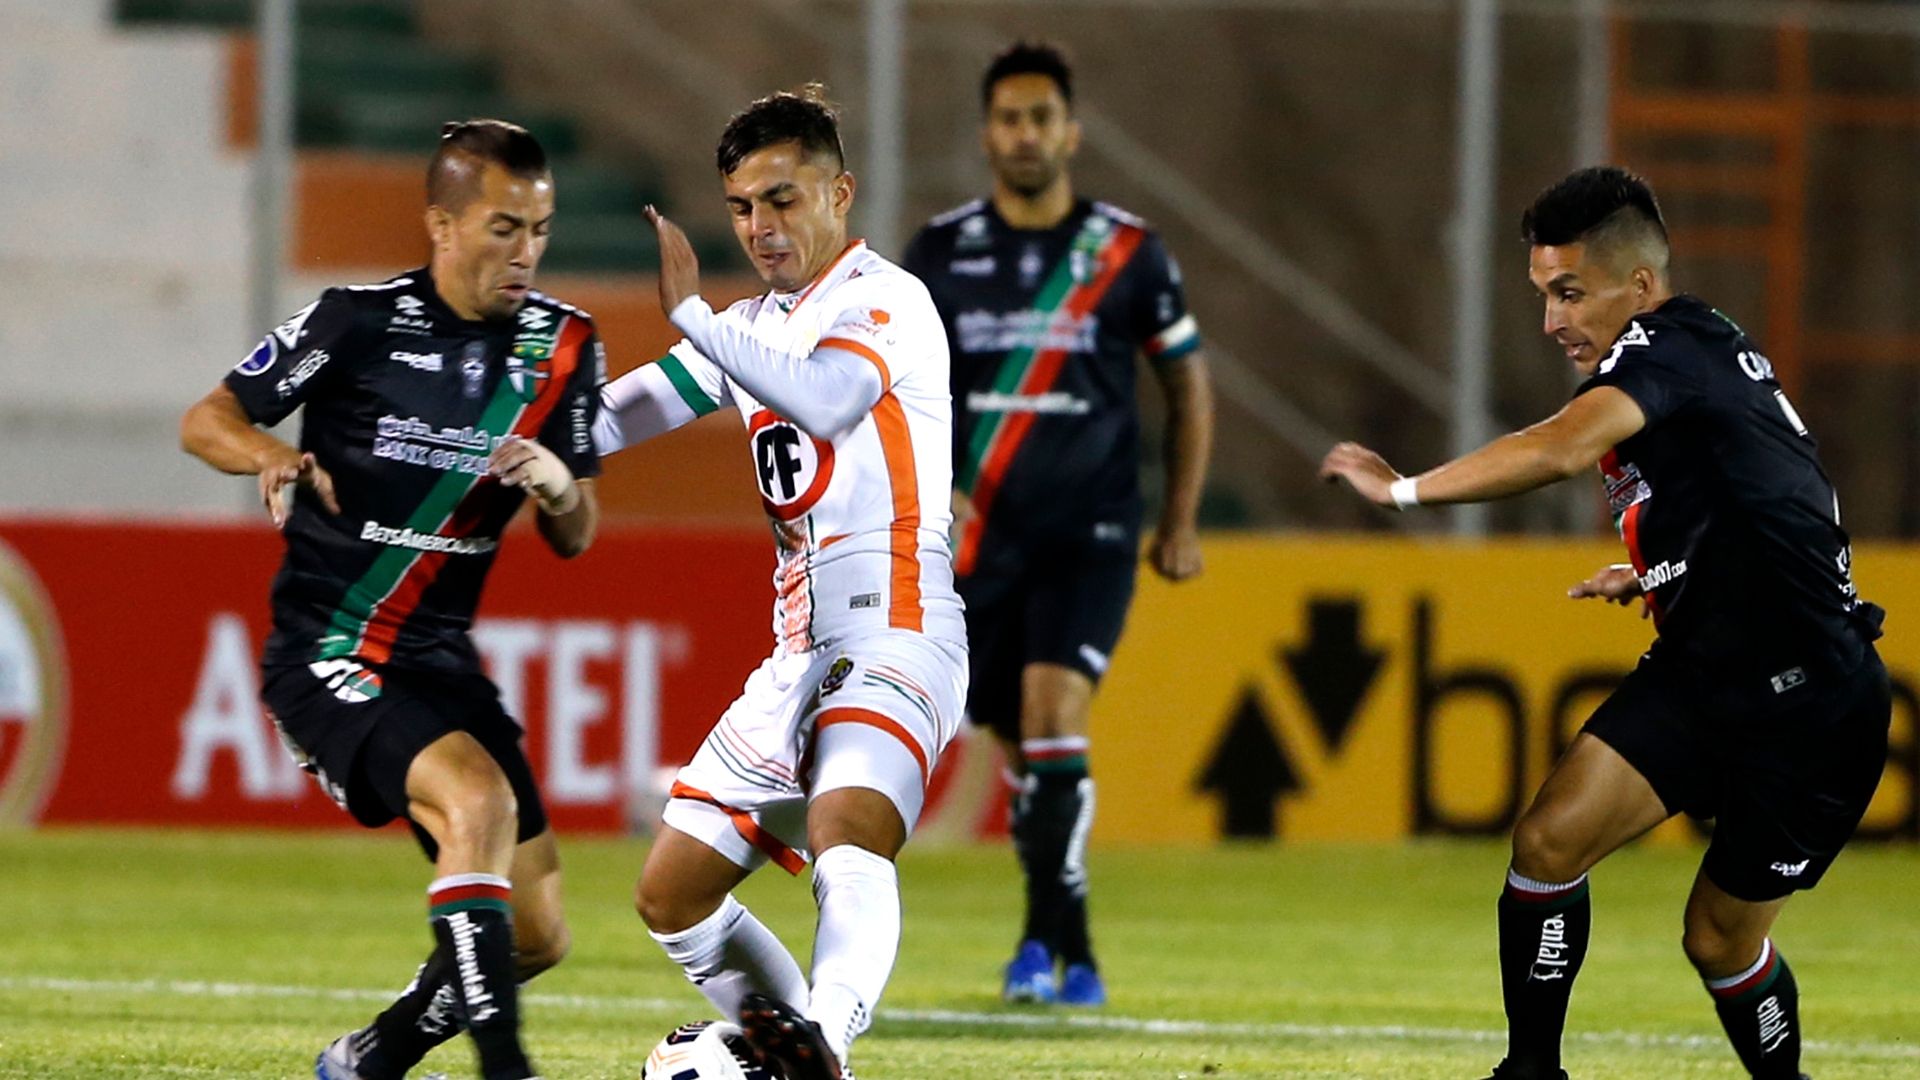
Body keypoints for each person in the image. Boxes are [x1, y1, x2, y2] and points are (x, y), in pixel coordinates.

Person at [1321, 166, 1890, 1080]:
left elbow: (1559, 447)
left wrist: (1403, 489)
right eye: (1545, 293)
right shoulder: (1692, 351)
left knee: (1717, 938)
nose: (1553, 320)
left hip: (1811, 703)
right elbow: (1771, 484)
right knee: (1549, 842)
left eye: (1570, 293)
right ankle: (1532, 1073)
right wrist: (1662, 569)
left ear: (1640, 285)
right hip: (1709, 668)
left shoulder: (1663, 349)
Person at [180, 119, 605, 1080]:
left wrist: (560, 487)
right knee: (477, 800)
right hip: (331, 647)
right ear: (443, 223)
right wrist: (273, 453)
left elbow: (578, 539)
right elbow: (208, 418)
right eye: (504, 227)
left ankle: (373, 1056)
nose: (526, 252)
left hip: (441, 661)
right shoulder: (357, 321)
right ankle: (507, 1067)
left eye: (540, 229)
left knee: (538, 936)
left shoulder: (567, 346)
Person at [594, 87, 967, 1080]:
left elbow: (828, 398)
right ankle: (793, 1050)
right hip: (796, 655)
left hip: (898, 628)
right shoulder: (752, 325)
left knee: (850, 830)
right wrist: (492, 453)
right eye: (743, 209)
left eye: (784, 199)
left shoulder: (885, 301)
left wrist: (690, 318)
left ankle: (824, 1042)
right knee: (671, 896)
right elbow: (612, 419)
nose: (762, 228)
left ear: (840, 192)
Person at [898, 40, 1215, 1007]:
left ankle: (1043, 942)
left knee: (1052, 711)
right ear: (988, 133)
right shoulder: (942, 252)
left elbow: (1187, 387)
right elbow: (901, 391)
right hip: (979, 538)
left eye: (1042, 117)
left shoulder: (1127, 251)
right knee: (1020, 736)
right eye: (1008, 118)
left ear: (1071, 131)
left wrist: (1180, 519)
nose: (1025, 134)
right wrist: (926, 492)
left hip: (1094, 530)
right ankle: (1067, 941)